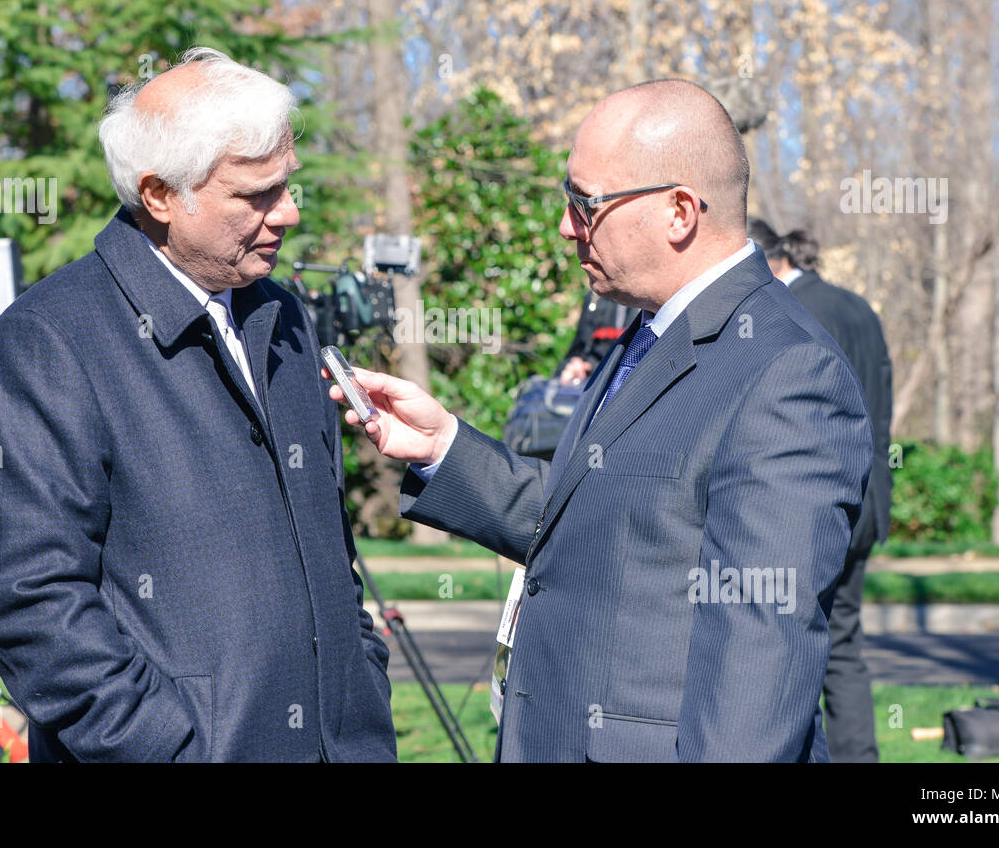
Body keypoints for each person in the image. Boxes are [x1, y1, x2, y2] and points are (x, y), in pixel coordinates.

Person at [331, 80, 872, 762]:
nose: (566, 225)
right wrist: (444, 447)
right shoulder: (651, 332)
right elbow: (598, 518)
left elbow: (755, 668)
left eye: (586, 205)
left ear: (679, 211)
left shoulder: (787, 375)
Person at [0, 47, 397, 763]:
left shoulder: (285, 316)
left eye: (288, 185)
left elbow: (329, 552)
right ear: (160, 195)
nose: (287, 212)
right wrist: (169, 748)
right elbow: (31, 603)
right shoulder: (49, 338)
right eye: (255, 194)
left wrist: (361, 689)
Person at [756, 223, 893, 762]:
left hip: (819, 502)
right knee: (842, 645)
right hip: (867, 498)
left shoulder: (795, 312)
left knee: (792, 644)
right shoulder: (856, 306)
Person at [557, 292, 637, 385]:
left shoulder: (639, 302)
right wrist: (576, 362)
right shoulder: (594, 297)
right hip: (590, 374)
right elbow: (580, 345)